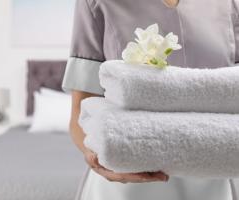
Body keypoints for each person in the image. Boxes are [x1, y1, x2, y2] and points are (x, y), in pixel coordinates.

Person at [62, 0, 239, 199]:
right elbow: (81, 110)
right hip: (125, 186)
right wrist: (95, 156)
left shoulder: (229, 4)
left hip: (211, 185)